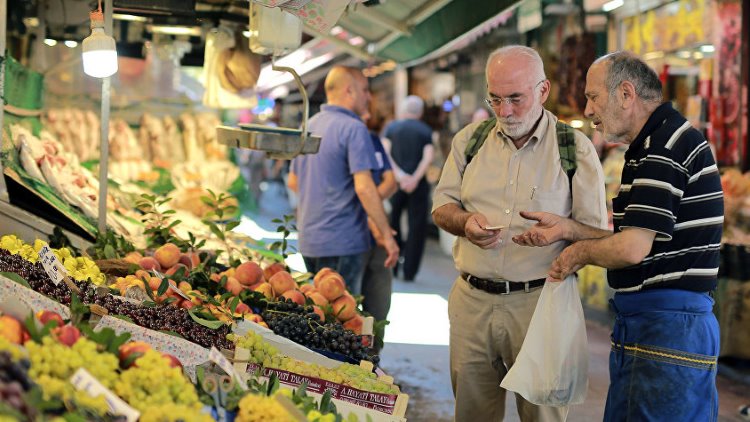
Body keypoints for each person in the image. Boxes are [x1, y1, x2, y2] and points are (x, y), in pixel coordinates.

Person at [513, 51, 724, 421]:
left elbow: (630, 249)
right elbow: (639, 239)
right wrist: (569, 229)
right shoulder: (655, 143)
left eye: (593, 96)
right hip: (664, 326)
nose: (588, 109)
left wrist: (576, 254)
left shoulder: (664, 146)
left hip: (666, 328)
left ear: (626, 94)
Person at [431, 45, 607, 421]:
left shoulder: (575, 149)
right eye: (495, 99)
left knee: (542, 414)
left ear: (543, 91)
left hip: (540, 303)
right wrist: (465, 223)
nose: (505, 111)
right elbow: (441, 207)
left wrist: (562, 231)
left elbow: (596, 235)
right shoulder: (469, 141)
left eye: (515, 98)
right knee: (472, 413)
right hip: (471, 302)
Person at [288, 66, 399, 294]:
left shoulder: (308, 126)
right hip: (343, 243)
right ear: (350, 90)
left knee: (319, 317)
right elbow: (365, 188)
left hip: (309, 240)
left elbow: (293, 182)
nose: (368, 96)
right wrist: (387, 235)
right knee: (342, 321)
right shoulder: (354, 128)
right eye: (365, 90)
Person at [382, 95, 435, 281]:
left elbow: (385, 153)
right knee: (417, 227)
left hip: (395, 184)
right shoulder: (426, 130)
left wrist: (400, 176)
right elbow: (428, 157)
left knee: (393, 224)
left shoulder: (392, 128)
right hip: (418, 186)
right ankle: (410, 271)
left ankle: (393, 266)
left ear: (403, 110)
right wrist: (414, 178)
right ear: (420, 112)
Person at [360, 111, 398, 329]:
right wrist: (368, 206)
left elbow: (392, 182)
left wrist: (369, 202)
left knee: (379, 304)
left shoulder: (372, 139)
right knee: (348, 305)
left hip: (379, 225)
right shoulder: (334, 139)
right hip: (351, 231)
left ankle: (372, 356)